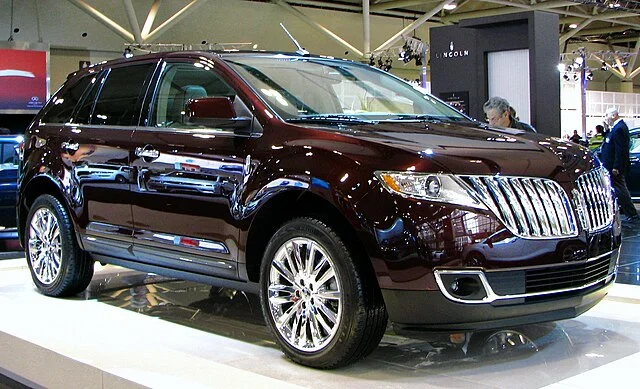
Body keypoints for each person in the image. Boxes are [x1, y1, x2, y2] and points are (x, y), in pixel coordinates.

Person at [600, 107, 639, 224]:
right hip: (611, 166)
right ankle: (625, 210)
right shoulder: (615, 128)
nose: (605, 118)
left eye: (607, 115)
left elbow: (620, 150)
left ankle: (631, 213)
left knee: (620, 188)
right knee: (618, 188)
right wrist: (606, 130)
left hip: (614, 167)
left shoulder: (619, 129)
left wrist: (616, 166)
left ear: (613, 115)